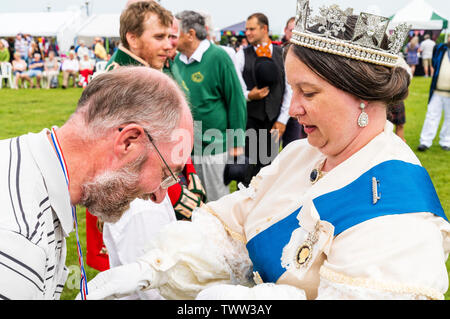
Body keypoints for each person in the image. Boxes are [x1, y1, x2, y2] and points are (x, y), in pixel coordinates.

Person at [82, 1, 450, 301]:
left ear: (363, 98)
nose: (293, 109)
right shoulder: (301, 154)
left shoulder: (398, 213)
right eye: (294, 91)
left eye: (309, 93)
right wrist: (156, 267)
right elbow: (234, 226)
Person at [0, 66, 193, 300]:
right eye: (165, 174)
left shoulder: (30, 166)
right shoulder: (19, 242)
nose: (160, 196)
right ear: (129, 142)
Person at [85, 2, 206, 300]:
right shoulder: (119, 84)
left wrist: (187, 174)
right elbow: (132, 156)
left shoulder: (144, 75)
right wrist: (177, 192)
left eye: (171, 36)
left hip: (152, 190)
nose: (170, 45)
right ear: (132, 38)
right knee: (148, 278)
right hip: (135, 199)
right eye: (159, 37)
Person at [174, 10, 247, 201]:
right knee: (190, 205)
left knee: (216, 205)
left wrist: (237, 146)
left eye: (174, 33)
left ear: (190, 34)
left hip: (214, 149)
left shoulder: (218, 57)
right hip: (184, 150)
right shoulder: (175, 61)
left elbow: (236, 102)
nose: (170, 39)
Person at [235, 13, 292, 183]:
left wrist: (282, 120)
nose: (248, 33)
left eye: (252, 29)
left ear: (264, 29)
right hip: (250, 121)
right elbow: (237, 89)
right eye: (246, 29)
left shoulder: (282, 53)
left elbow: (289, 89)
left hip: (274, 121)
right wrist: (249, 95)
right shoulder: (241, 55)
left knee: (270, 173)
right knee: (248, 172)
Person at [418, 35, 450, 152]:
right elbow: (436, 48)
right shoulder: (442, 50)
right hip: (437, 91)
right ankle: (425, 142)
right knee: (431, 116)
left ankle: (446, 141)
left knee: (449, 118)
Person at [281, 16, 306, 147]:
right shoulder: (276, 53)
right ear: (285, 31)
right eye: (292, 30)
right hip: (278, 113)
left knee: (296, 148)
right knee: (269, 154)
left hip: (298, 113)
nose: (294, 34)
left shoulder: (306, 58)